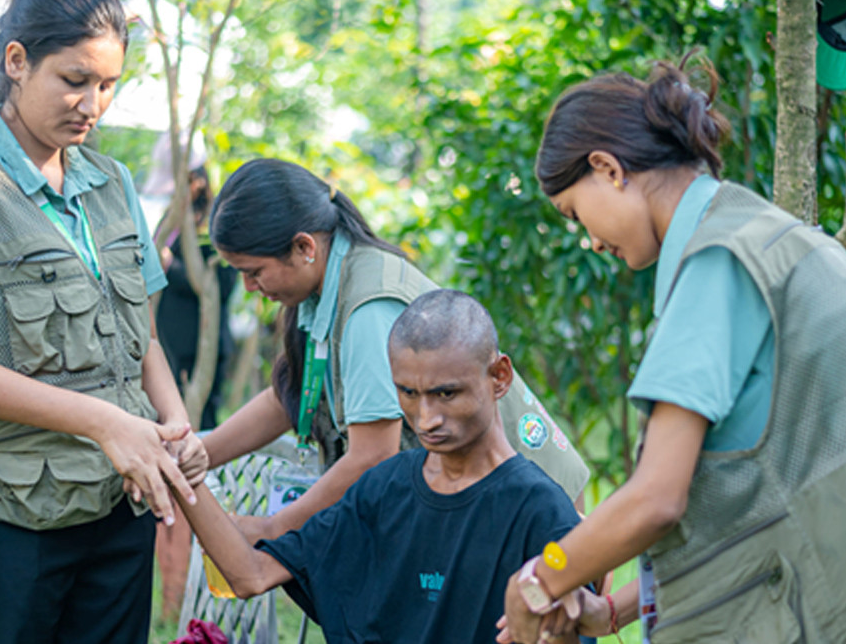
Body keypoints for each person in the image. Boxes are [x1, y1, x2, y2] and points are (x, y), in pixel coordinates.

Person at [498, 55, 846, 644]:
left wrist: (541, 577)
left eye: (573, 213)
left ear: (608, 169)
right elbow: (770, 495)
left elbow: (657, 498)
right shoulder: (776, 237)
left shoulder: (720, 265)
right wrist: (611, 611)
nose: (589, 239)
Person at [0, 0, 206, 641]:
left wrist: (174, 424)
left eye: (108, 85)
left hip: (122, 509)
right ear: (16, 62)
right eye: (74, 79)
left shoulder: (112, 181)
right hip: (17, 521)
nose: (91, 104)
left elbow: (140, 334)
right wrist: (103, 422)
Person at [203, 158, 591, 545]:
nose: (249, 286)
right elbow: (287, 397)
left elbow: (371, 457)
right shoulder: (325, 286)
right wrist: (200, 455)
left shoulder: (368, 307)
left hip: (532, 512)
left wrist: (273, 528)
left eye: (254, 271)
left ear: (304, 246)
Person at [177, 289, 589, 643]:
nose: (425, 418)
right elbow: (250, 575)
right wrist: (180, 474)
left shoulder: (540, 511)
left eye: (446, 394)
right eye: (408, 392)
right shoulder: (383, 489)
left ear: (499, 377)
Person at [153, 165, 238, 621]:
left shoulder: (211, 248)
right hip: (166, 375)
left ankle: (176, 601)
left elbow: (214, 287)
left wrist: (175, 264)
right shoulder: (166, 241)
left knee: (183, 482)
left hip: (197, 376)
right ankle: (168, 602)